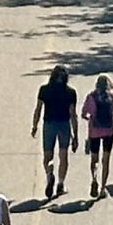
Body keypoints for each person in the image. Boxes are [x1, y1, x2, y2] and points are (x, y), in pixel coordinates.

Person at [31, 65, 78, 199]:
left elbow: (38, 109)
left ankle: (49, 173)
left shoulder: (44, 90)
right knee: (63, 156)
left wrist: (34, 126)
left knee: (48, 156)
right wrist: (76, 136)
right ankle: (60, 184)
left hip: (49, 124)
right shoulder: (70, 92)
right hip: (64, 125)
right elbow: (73, 115)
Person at [83, 77, 113, 199]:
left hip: (94, 131)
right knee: (106, 159)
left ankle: (94, 178)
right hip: (109, 131)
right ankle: (103, 188)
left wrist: (90, 118)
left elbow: (84, 114)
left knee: (95, 159)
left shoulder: (91, 96)